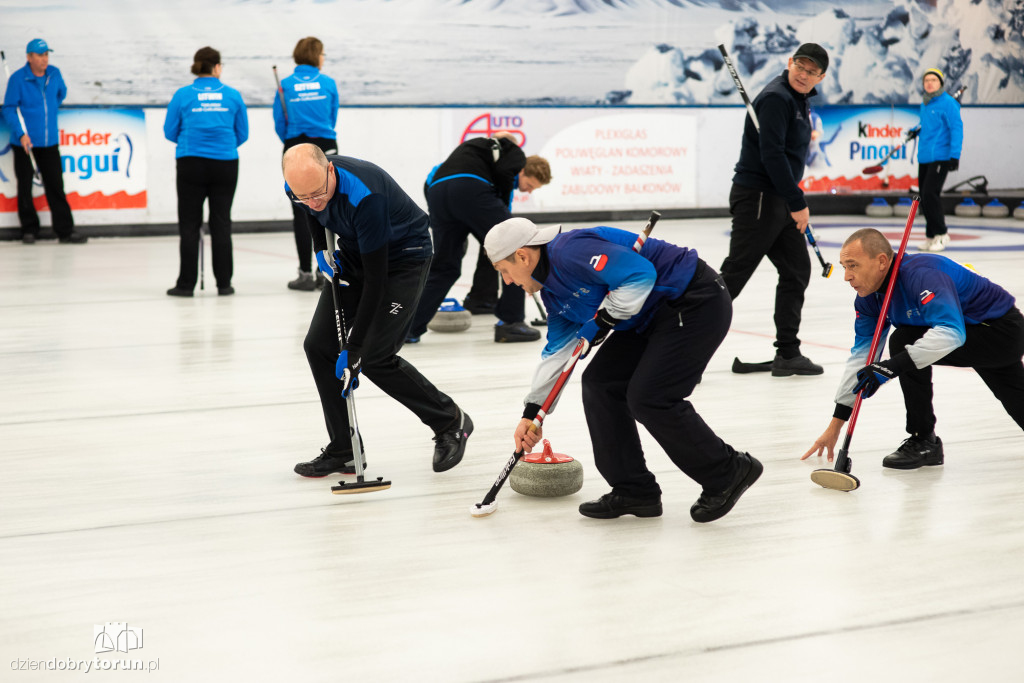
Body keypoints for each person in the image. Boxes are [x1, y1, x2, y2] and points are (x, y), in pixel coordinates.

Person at [485, 217, 761, 522]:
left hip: (691, 299)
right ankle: (634, 489)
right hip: (646, 317)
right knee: (600, 383)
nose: (507, 281)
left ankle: (728, 471)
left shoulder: (569, 251)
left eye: (504, 271)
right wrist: (532, 412)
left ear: (522, 256)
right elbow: (558, 356)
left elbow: (640, 274)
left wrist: (605, 319)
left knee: (649, 396)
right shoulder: (552, 294)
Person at [282, 143, 472, 477]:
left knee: (374, 355)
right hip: (356, 252)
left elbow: (376, 280)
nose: (313, 202)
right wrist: (318, 248)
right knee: (319, 346)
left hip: (403, 259)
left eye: (317, 193)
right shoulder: (299, 185)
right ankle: (344, 449)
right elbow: (312, 213)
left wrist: (355, 348)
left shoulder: (365, 195)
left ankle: (450, 421)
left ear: (329, 170)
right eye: (302, 197)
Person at [802, 228, 1023, 469]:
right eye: (844, 266)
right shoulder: (868, 298)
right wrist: (835, 425)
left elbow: (951, 333)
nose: (846, 276)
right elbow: (861, 359)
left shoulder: (922, 276)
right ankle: (924, 441)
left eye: (853, 265)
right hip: (975, 334)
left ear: (882, 262)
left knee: (902, 341)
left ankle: (923, 439)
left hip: (1000, 331)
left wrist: (891, 367)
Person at [720, 43, 829, 376]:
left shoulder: (797, 99)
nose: (804, 74)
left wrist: (790, 199)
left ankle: (788, 353)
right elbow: (772, 156)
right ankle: (673, 345)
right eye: (801, 66)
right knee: (733, 277)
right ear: (790, 63)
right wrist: (797, 203)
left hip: (777, 197)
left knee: (796, 271)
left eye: (812, 71)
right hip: (759, 197)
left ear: (820, 78)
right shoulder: (776, 98)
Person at [408, 133, 551, 343]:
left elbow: (431, 183)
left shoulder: (463, 159)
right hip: (470, 188)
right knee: (513, 246)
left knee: (445, 266)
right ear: (522, 171)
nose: (528, 191)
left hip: (438, 194)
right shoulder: (513, 162)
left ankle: (408, 329)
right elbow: (505, 222)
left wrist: (451, 224)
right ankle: (511, 322)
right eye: (529, 185)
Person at [163, 46, 248, 297]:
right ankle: (224, 284)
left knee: (190, 224)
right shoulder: (232, 95)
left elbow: (169, 131)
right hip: (225, 163)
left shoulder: (183, 95)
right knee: (221, 222)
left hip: (191, 163)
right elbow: (242, 133)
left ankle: (186, 284)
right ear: (218, 67)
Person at [2, 39, 86, 244]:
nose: (44, 59)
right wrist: (21, 133)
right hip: (25, 144)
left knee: (56, 185)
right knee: (24, 187)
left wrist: (49, 108)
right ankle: (29, 229)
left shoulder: (54, 74)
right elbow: (9, 108)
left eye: (46, 54)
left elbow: (61, 93)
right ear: (29, 57)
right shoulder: (17, 79)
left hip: (49, 142)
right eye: (40, 55)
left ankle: (65, 231)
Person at [273, 36, 340, 291]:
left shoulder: (286, 85)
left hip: (295, 147)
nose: (324, 58)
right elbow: (332, 117)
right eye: (322, 54)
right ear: (316, 55)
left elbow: (280, 122)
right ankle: (327, 272)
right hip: (326, 146)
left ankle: (304, 273)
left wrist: (293, 145)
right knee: (330, 208)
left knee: (301, 212)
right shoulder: (328, 83)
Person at [911, 68, 963, 253]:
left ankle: (942, 234)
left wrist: (954, 155)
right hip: (924, 156)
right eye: (927, 80)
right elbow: (927, 126)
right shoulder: (925, 103)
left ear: (940, 83)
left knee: (931, 194)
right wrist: (915, 129)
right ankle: (931, 236)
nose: (930, 83)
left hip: (941, 157)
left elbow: (956, 128)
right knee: (924, 197)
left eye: (934, 79)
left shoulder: (948, 103)